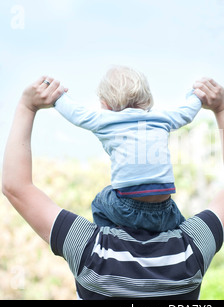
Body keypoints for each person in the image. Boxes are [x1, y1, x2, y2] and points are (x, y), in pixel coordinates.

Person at [2, 75, 224, 299]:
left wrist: (27, 106)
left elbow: (16, 187)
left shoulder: (90, 252)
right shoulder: (190, 252)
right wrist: (223, 108)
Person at [53, 65, 202, 232]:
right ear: (147, 99)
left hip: (127, 208)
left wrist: (58, 96)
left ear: (105, 104)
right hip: (165, 209)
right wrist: (195, 96)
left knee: (99, 202)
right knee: (180, 227)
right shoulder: (161, 118)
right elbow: (186, 112)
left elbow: (76, 113)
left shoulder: (105, 120)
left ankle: (113, 239)